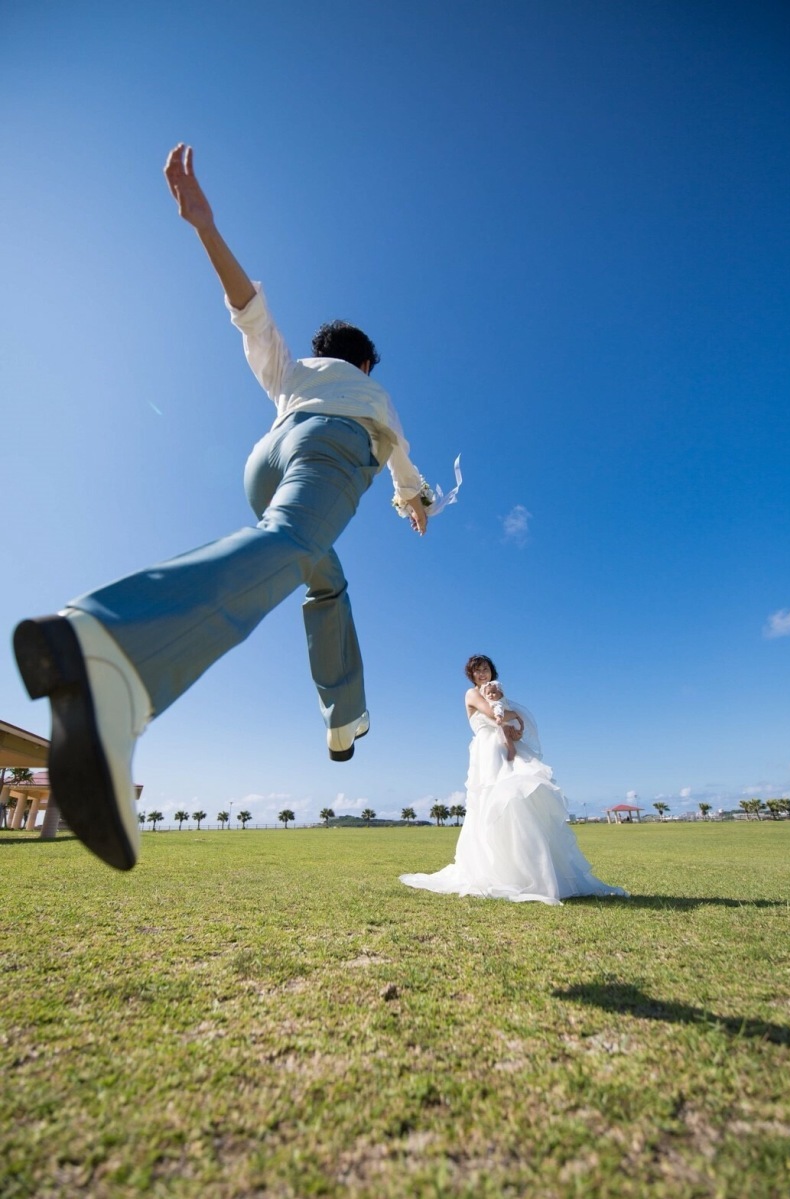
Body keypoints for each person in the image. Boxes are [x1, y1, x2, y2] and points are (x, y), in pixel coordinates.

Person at [12, 143, 428, 873]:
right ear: (365, 363)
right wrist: (414, 500)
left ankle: (343, 718)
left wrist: (204, 225)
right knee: (301, 544)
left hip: (267, 461)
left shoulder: (296, 367)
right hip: (329, 454)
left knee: (321, 572)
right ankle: (111, 649)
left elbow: (251, 313)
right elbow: (403, 467)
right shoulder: (374, 394)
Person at [400, 655, 628, 905]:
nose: (482, 674)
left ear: (492, 671)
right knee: (493, 800)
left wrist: (515, 727)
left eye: (485, 669)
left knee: (522, 798)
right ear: (471, 675)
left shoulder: (497, 693)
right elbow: (491, 713)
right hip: (488, 750)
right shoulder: (472, 694)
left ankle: (533, 872)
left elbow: (506, 721)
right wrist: (516, 716)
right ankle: (495, 870)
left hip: (507, 746)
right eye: (477, 671)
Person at [479, 678, 520, 761]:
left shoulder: (497, 703)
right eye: (488, 693)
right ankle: (509, 747)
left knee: (505, 733)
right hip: (507, 722)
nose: (491, 695)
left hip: (507, 723)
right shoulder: (491, 703)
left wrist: (498, 717)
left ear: (500, 694)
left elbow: (499, 710)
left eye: (493, 692)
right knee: (504, 736)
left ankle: (512, 750)